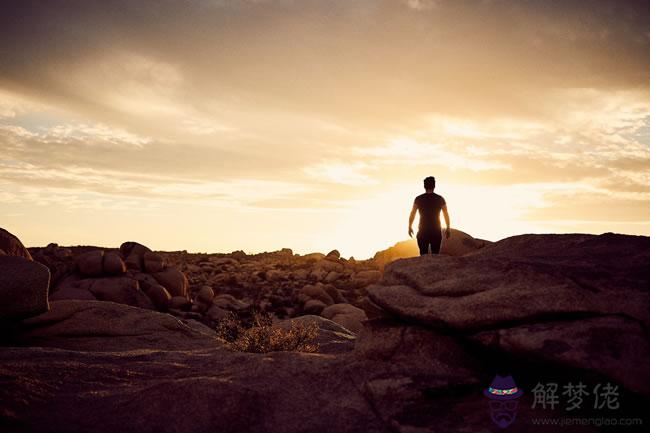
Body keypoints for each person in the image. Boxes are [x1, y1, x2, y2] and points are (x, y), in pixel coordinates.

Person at [408, 176, 451, 255]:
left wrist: (410, 226)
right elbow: (446, 214)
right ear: (434, 186)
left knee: (423, 254)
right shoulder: (440, 199)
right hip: (436, 231)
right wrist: (448, 227)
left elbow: (412, 213)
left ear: (424, 186)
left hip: (422, 230)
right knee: (435, 255)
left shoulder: (418, 199)